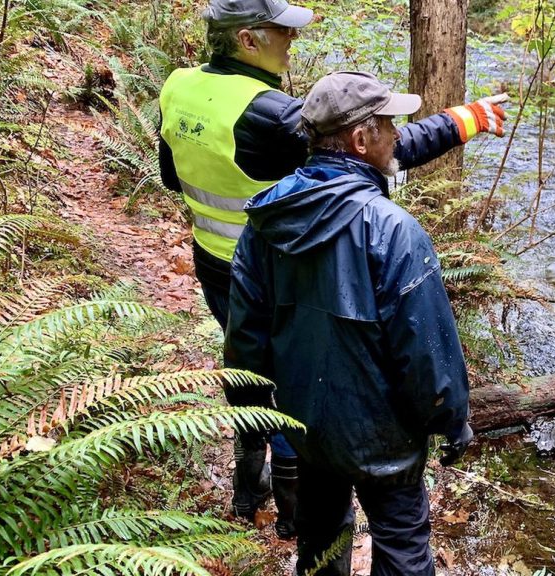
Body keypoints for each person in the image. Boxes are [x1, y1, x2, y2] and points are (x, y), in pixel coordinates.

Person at [157, 0, 505, 537]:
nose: (291, 42)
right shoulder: (270, 112)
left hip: (216, 257)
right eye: (281, 32)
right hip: (281, 264)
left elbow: (168, 177)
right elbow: (372, 151)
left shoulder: (179, 87)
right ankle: (295, 510)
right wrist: (464, 120)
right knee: (295, 380)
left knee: (247, 369)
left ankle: (250, 488)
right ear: (247, 39)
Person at [224, 71, 472, 576]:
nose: (398, 135)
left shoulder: (265, 221)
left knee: (320, 542)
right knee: (402, 548)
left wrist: (256, 413)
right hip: (387, 443)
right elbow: (426, 353)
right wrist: (452, 421)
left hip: (306, 427)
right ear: (362, 140)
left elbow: (245, 338)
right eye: (388, 124)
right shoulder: (393, 230)